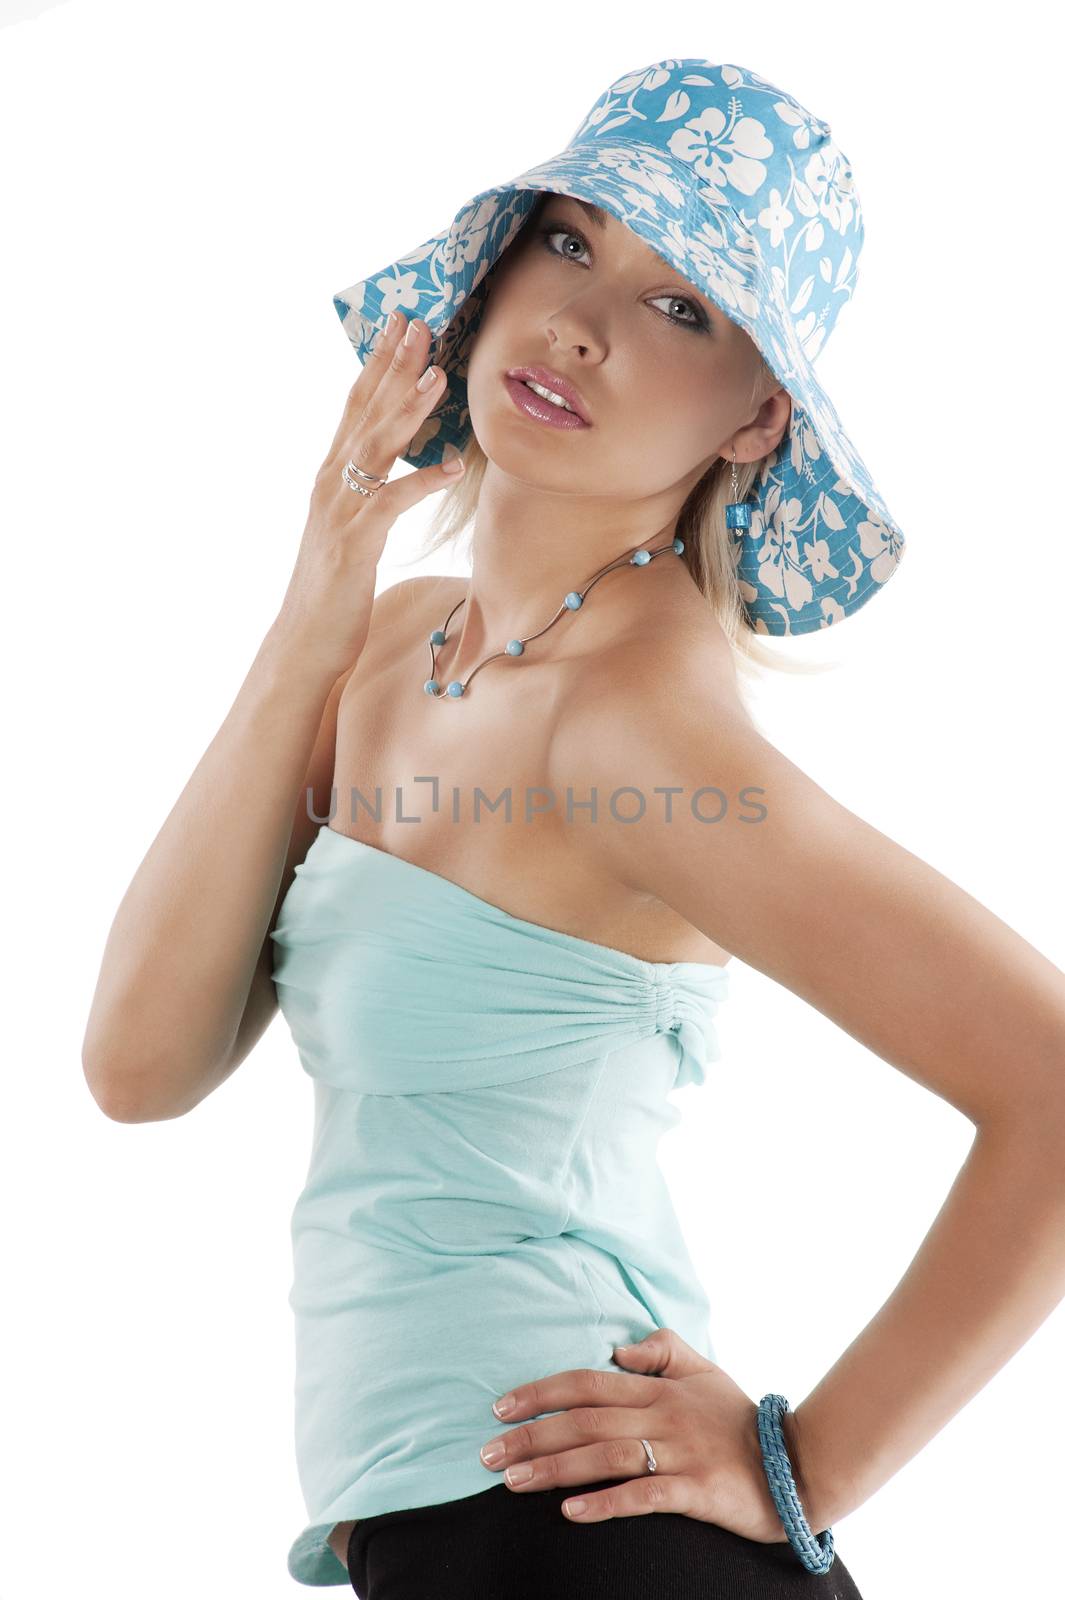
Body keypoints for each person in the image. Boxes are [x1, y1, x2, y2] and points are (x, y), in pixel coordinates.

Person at [82, 58, 1065, 1600]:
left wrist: (807, 1467)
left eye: (685, 309)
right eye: (571, 241)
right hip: (449, 1530)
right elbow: (138, 1068)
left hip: (577, 1542)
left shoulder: (633, 733)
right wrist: (304, 626)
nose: (583, 326)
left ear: (756, 418)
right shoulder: (394, 642)